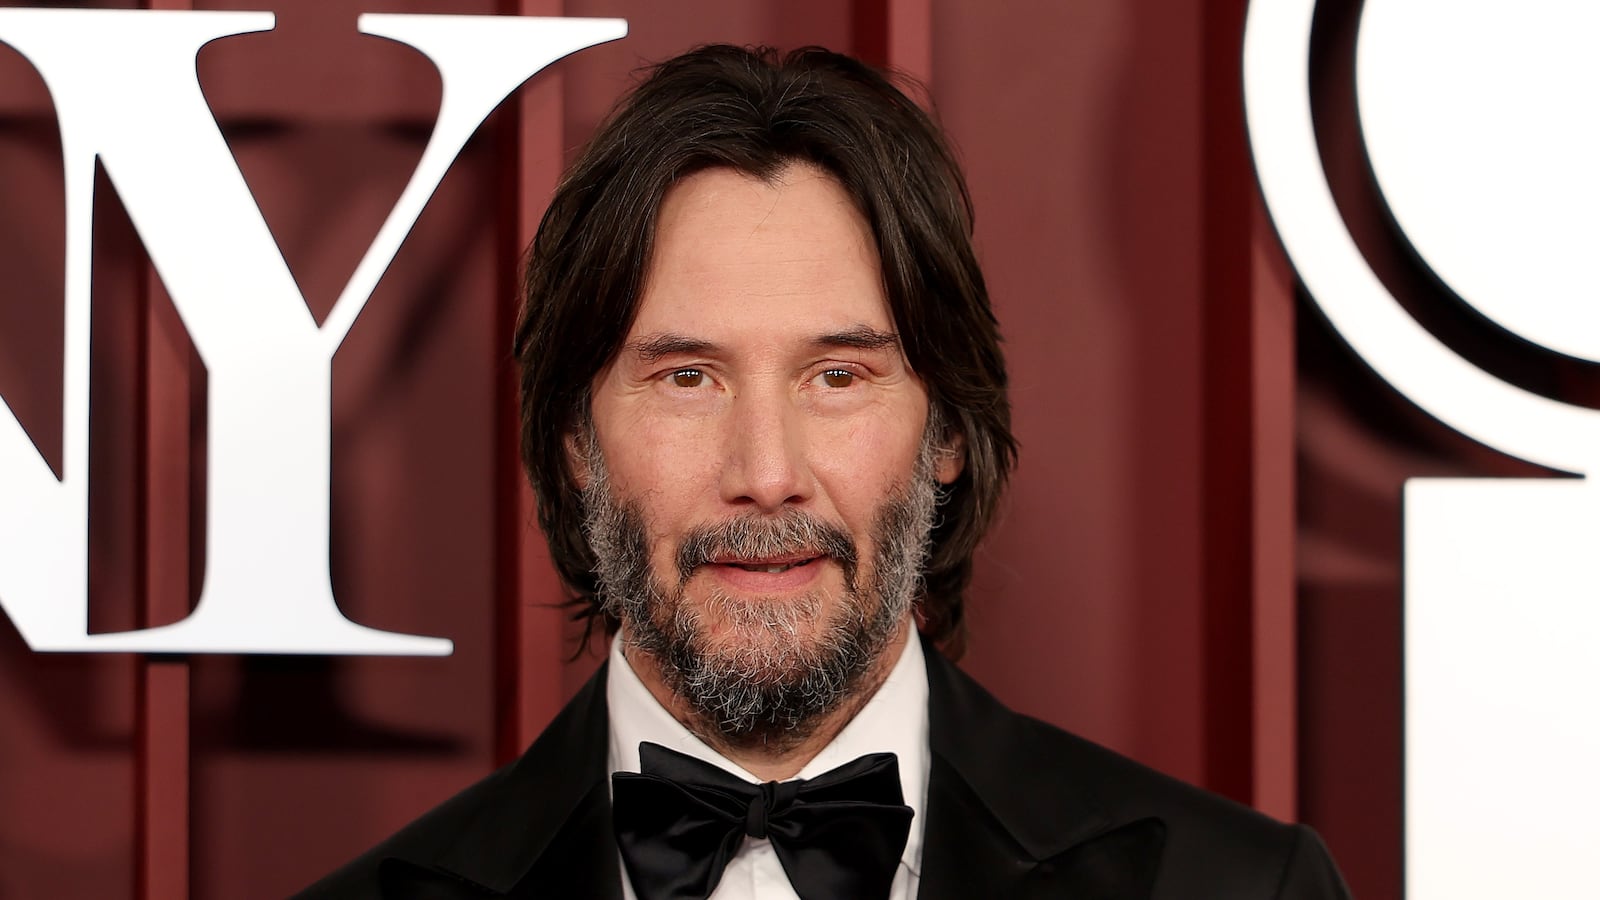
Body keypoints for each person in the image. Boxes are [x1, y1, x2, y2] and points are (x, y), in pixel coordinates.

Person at [300, 44, 1350, 900]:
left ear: (946, 429)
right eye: (686, 378)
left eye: (837, 375)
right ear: (576, 442)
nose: (766, 473)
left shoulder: (1237, 887)